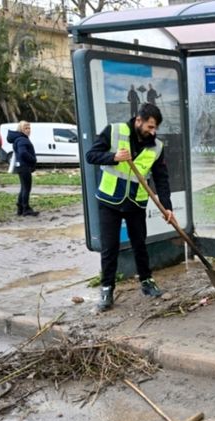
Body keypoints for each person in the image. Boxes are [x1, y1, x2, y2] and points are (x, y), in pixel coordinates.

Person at [85, 103, 176, 312]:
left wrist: (167, 207)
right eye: (150, 127)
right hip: (109, 201)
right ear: (138, 121)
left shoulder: (156, 147)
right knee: (110, 248)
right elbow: (91, 155)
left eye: (155, 128)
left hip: (136, 202)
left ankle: (146, 282)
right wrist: (113, 157)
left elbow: (162, 179)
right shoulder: (114, 131)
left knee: (140, 245)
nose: (153, 132)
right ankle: (107, 289)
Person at [7, 121, 39, 217]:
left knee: (23, 188)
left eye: (29, 128)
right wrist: (33, 160)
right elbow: (23, 153)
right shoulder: (22, 140)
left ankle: (20, 208)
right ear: (21, 129)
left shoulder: (19, 139)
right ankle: (26, 209)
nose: (28, 130)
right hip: (24, 167)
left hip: (20, 166)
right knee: (26, 188)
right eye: (26, 128)